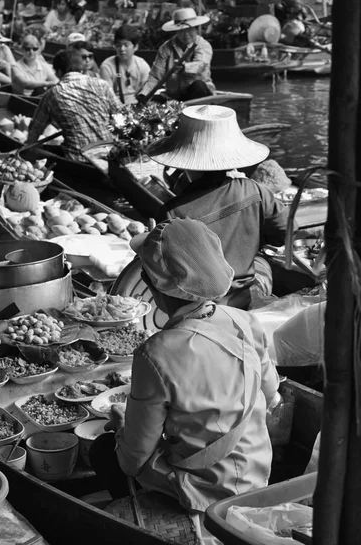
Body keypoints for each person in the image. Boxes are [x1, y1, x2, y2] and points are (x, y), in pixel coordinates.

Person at [89, 218, 280, 540]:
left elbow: (134, 458)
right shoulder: (245, 321)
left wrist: (121, 426)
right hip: (257, 470)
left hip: (206, 488)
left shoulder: (156, 352)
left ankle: (153, 512)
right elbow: (272, 395)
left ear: (151, 287)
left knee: (105, 449)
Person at [151, 105, 295, 310]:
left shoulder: (172, 212)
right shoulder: (255, 190)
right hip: (243, 300)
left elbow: (168, 275)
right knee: (263, 265)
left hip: (198, 308)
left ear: (185, 163)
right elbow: (288, 231)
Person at [27, 48, 122, 162]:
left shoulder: (53, 93)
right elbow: (121, 115)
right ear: (81, 69)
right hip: (110, 154)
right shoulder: (103, 84)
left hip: (79, 159)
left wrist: (28, 149)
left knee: (40, 152)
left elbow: (35, 129)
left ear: (58, 72)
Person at [137, 8, 215, 103]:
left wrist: (184, 67)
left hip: (199, 93)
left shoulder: (202, 45)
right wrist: (145, 94)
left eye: (189, 29)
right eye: (182, 30)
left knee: (198, 85)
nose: (186, 34)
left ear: (195, 29)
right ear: (176, 31)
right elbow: (155, 76)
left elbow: (201, 65)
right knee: (153, 101)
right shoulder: (166, 48)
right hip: (174, 95)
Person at [100, 25, 150, 105]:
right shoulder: (107, 66)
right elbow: (107, 96)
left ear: (136, 46)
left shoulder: (142, 65)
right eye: (118, 45)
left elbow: (147, 90)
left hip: (139, 107)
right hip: (116, 108)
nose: (122, 49)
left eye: (126, 45)